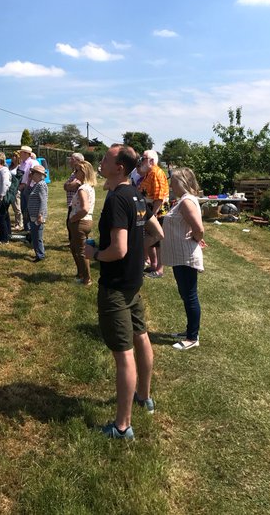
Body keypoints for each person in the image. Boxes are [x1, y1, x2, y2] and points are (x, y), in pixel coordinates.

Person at [83, 145, 154, 440]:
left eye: (105, 159)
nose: (99, 162)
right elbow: (157, 234)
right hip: (133, 283)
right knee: (141, 337)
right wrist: (143, 254)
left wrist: (94, 254)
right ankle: (144, 398)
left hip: (115, 286)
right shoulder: (137, 195)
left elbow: (118, 249)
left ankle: (122, 426)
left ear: (119, 168)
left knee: (123, 355)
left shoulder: (117, 200)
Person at [160, 167, 206, 351]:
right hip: (181, 255)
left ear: (182, 182)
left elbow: (199, 228)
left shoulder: (187, 202)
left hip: (186, 255)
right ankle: (189, 331)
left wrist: (196, 239)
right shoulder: (183, 201)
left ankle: (192, 337)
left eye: (173, 180)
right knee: (186, 294)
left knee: (190, 296)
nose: (171, 184)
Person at [139, 150, 170, 278]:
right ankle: (153, 265)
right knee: (150, 240)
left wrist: (154, 216)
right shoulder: (148, 173)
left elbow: (159, 198)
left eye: (144, 158)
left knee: (158, 242)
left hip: (157, 213)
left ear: (152, 161)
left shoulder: (157, 173)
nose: (141, 160)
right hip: (149, 211)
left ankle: (159, 270)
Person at [67, 161, 97, 285]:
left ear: (84, 172)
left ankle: (87, 278)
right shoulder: (89, 187)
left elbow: (84, 208)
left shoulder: (82, 189)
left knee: (81, 251)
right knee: (75, 248)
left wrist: (73, 219)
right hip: (86, 221)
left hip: (80, 222)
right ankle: (81, 273)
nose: (75, 173)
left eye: (77, 171)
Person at [27, 164, 49, 262]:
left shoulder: (41, 185)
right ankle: (38, 253)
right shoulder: (37, 184)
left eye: (33, 173)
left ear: (39, 174)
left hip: (37, 216)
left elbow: (43, 201)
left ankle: (40, 255)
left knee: (37, 237)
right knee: (34, 236)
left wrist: (40, 215)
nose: (31, 175)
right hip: (33, 215)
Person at [17, 146, 36, 233]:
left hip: (30, 188)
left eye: (21, 152)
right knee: (23, 208)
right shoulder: (22, 163)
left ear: (26, 153)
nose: (20, 154)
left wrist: (25, 185)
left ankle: (31, 228)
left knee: (30, 208)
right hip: (22, 188)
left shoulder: (33, 163)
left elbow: (34, 177)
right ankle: (26, 227)